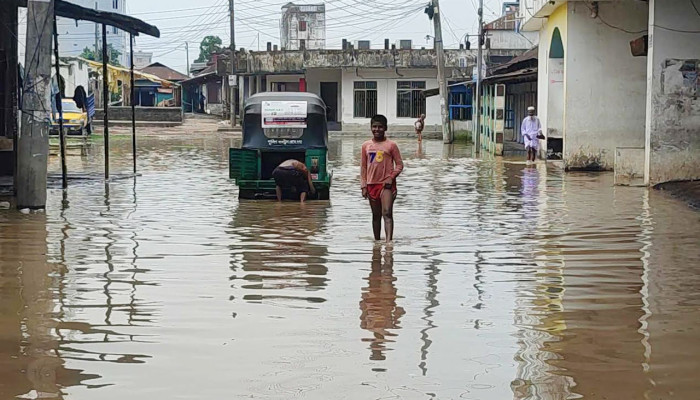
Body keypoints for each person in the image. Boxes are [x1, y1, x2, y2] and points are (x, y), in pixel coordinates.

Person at [361, 114, 404, 242]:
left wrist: (391, 177)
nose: (377, 129)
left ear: (385, 128)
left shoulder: (391, 145)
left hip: (386, 185)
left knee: (387, 213)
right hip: (371, 184)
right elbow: (363, 168)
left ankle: (389, 243)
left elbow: (400, 165)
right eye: (374, 127)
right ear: (371, 128)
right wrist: (363, 185)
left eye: (380, 127)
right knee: (376, 215)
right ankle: (377, 242)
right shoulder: (366, 146)